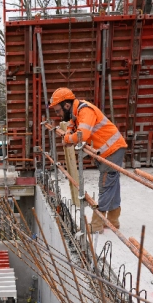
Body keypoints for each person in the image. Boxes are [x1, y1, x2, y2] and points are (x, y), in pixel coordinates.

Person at [49, 87, 127, 233]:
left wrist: (67, 138)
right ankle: (113, 220)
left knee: (106, 185)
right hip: (112, 149)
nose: (58, 115)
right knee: (112, 185)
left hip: (112, 150)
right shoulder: (77, 111)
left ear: (66, 105)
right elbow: (72, 124)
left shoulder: (85, 111)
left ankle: (97, 224)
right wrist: (68, 133)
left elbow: (81, 136)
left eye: (58, 111)